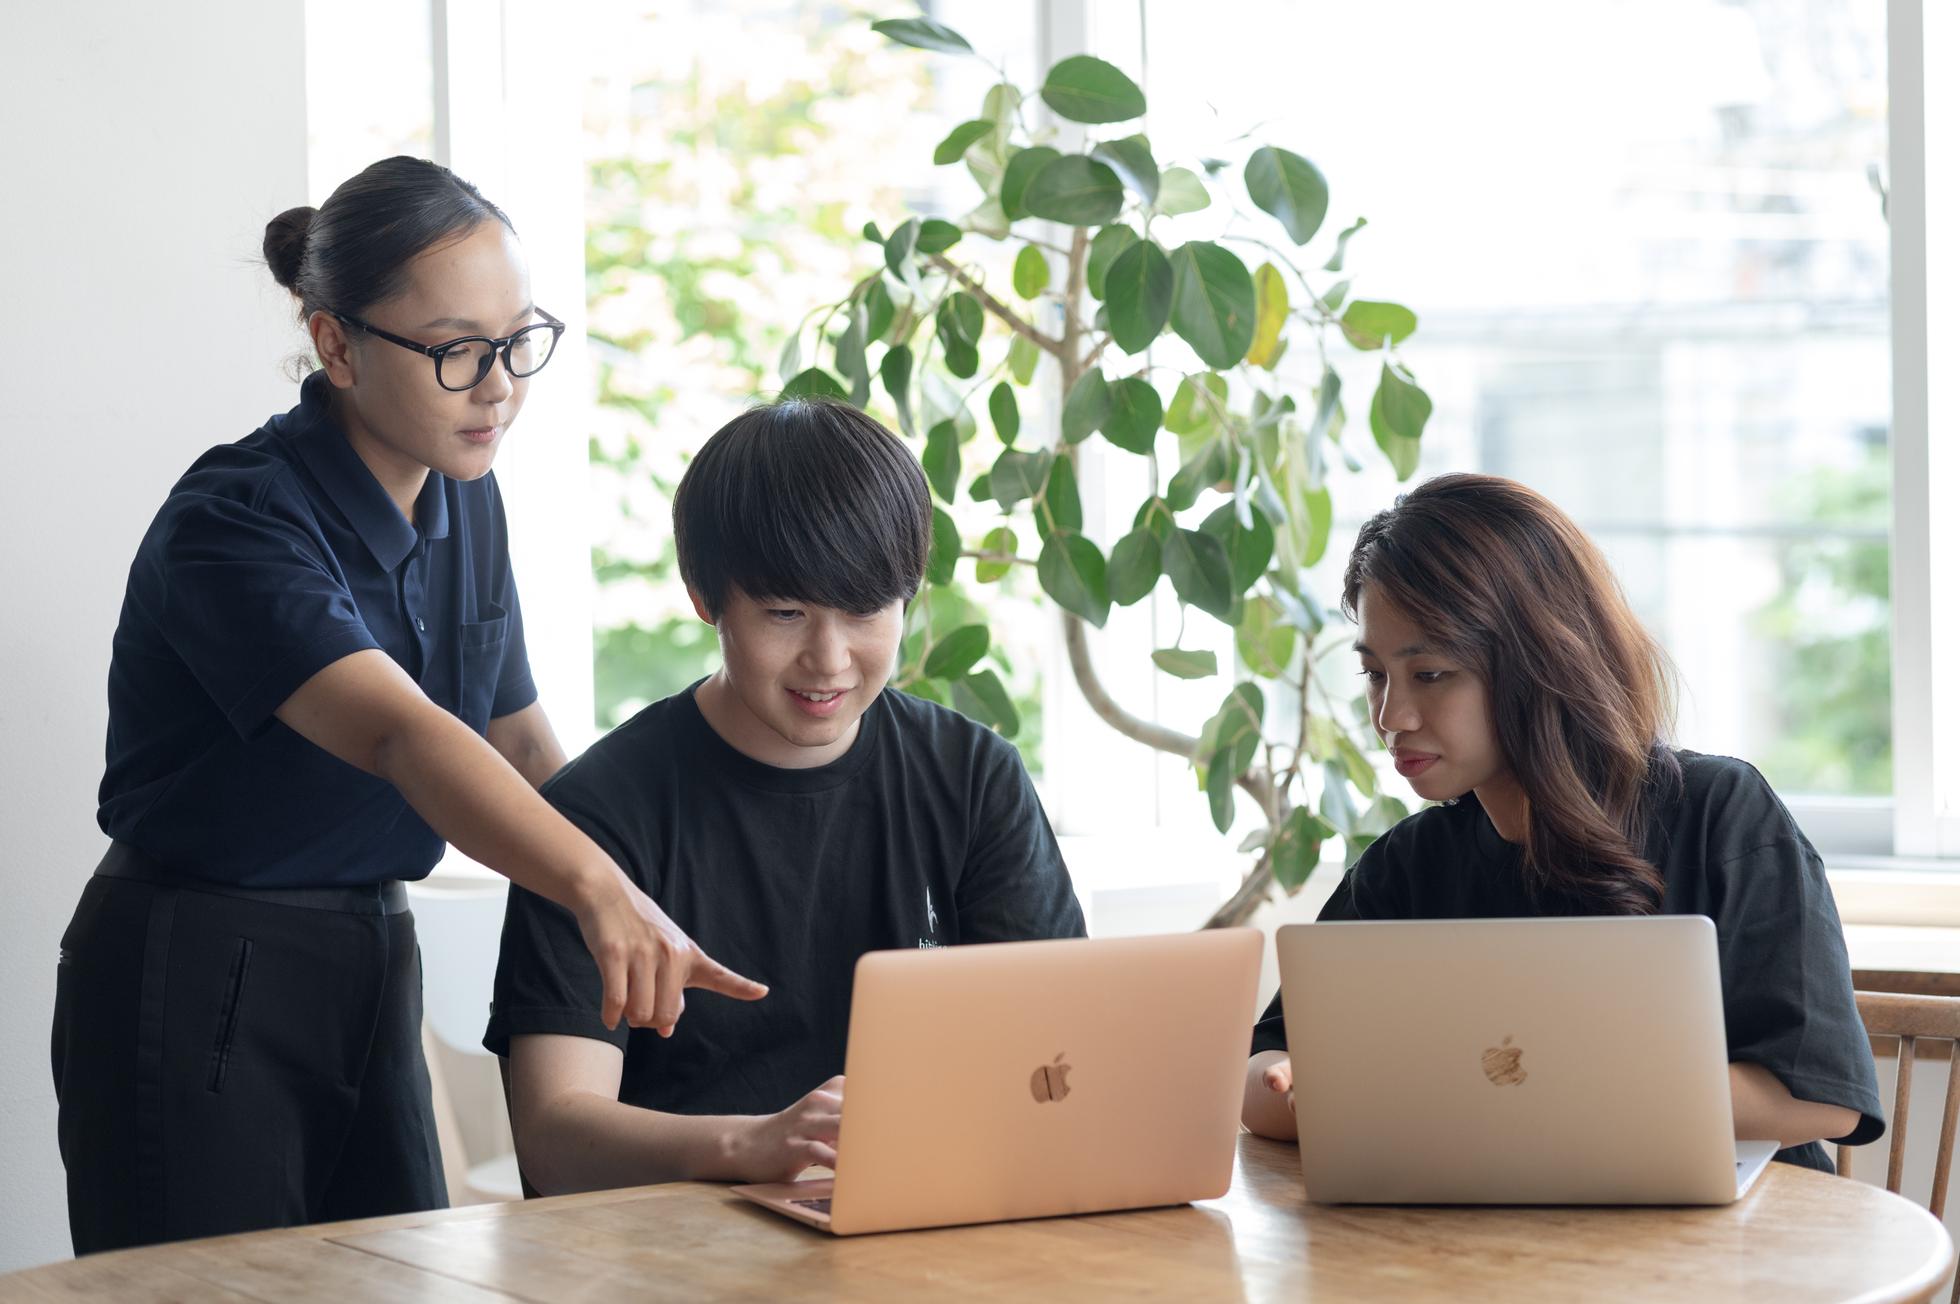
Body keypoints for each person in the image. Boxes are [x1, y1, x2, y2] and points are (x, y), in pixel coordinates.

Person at [50, 156, 762, 1254]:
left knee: (396, 1273)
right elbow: (403, 733)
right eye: (456, 350)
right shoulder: (235, 523)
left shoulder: (467, 495)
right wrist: (592, 888)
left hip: (375, 951)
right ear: (336, 345)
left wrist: (657, 899)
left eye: (518, 341)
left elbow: (520, 742)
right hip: (203, 965)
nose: (499, 386)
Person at [485, 398, 1086, 1194]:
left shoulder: (973, 778)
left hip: (924, 1213)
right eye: (785, 613)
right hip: (676, 1237)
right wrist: (752, 1145)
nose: (829, 659)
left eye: (864, 611)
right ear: (705, 598)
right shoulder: (595, 814)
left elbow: (1062, 1058)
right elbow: (553, 1136)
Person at [1242, 473, 1883, 1171]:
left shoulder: (1720, 813)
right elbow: (1262, 1076)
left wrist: (1501, 1090)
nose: (1391, 716)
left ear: (1538, 659)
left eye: (1430, 674)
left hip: (1737, 1233)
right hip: (1492, 1228)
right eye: (1374, 675)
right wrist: (1311, 1089)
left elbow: (1820, 1100)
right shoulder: (1408, 866)